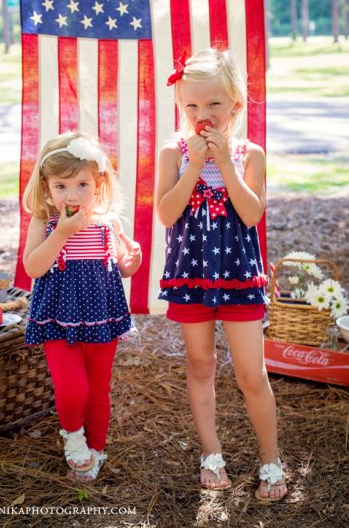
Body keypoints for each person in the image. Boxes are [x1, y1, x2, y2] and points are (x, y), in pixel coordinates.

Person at [156, 48, 287, 501]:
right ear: (181, 106)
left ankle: (270, 458)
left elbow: (251, 215)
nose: (202, 115)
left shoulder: (251, 153)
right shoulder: (173, 152)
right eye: (191, 106)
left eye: (213, 104)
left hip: (238, 277)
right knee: (200, 364)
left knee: (252, 373)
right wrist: (194, 165)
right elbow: (166, 214)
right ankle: (211, 453)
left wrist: (226, 165)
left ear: (234, 105)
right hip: (190, 277)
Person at [23, 131, 141, 482]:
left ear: (99, 183)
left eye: (81, 185)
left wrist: (131, 261)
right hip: (59, 316)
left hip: (101, 316)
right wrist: (60, 234)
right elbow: (33, 267)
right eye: (61, 186)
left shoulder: (108, 223)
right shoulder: (45, 223)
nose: (71, 196)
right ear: (46, 186)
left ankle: (97, 446)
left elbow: (122, 267)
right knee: (72, 386)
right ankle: (73, 437)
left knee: (98, 387)